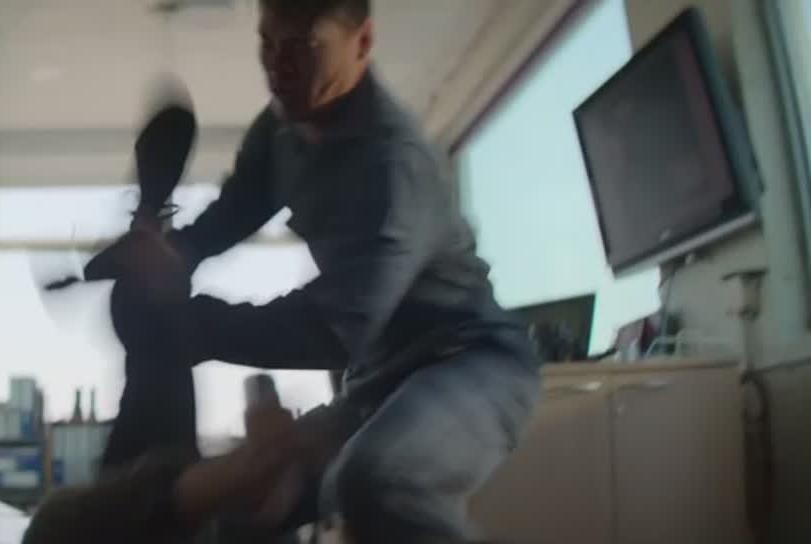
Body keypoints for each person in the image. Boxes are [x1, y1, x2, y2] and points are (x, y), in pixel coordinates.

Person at [31, 0, 542, 541]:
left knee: (378, 481)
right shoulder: (280, 129)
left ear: (362, 43)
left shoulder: (395, 165)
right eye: (267, 43)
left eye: (300, 46)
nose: (277, 66)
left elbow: (333, 329)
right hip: (374, 382)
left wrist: (183, 321)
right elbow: (232, 213)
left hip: (468, 361)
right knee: (239, 515)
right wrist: (167, 257)